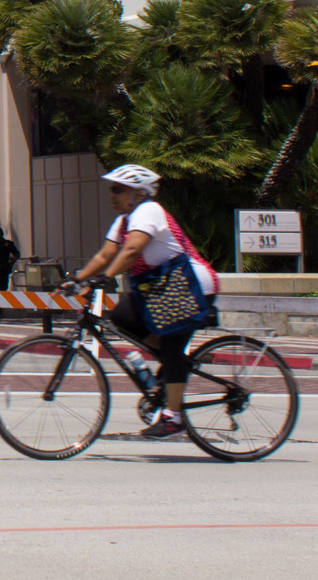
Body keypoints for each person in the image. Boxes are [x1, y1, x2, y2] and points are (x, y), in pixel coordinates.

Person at [66, 164, 218, 439]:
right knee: (121, 318)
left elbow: (133, 248)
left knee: (171, 345)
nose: (111, 195)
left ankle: (173, 417)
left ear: (138, 192)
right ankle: (177, 364)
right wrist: (78, 280)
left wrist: (106, 278)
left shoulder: (148, 211)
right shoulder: (124, 220)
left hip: (190, 283)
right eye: (111, 189)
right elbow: (104, 256)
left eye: (117, 189)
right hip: (162, 286)